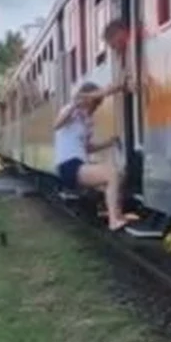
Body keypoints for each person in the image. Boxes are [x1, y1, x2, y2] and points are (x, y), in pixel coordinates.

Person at [54, 80, 130, 231]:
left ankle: (118, 215)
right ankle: (113, 220)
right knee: (111, 173)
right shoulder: (70, 111)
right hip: (68, 165)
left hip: (80, 164)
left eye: (98, 104)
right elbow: (56, 125)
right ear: (87, 101)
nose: (97, 107)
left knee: (119, 176)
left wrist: (108, 143)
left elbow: (87, 148)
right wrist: (117, 87)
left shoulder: (87, 122)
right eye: (95, 103)